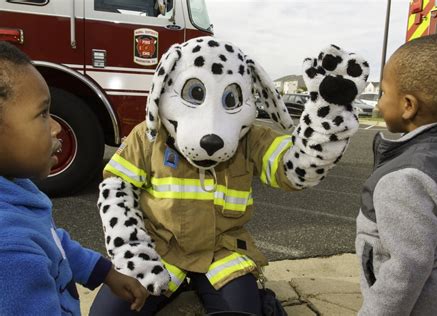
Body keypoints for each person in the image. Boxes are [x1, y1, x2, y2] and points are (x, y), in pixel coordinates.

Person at [89, 37, 369, 315]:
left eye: (232, 99)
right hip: (161, 250)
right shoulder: (147, 137)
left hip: (223, 253)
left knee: (242, 311)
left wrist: (326, 116)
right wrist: (132, 249)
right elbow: (116, 188)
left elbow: (294, 169)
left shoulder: (249, 138)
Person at [0, 41, 149, 315]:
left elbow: (54, 241)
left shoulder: (16, 191)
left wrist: (106, 273)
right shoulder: (12, 254)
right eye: (43, 114)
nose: (57, 127)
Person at [356, 33, 437, 315]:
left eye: (383, 93)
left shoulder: (405, 179)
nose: (378, 104)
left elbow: (406, 269)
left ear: (408, 105)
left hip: (417, 306)